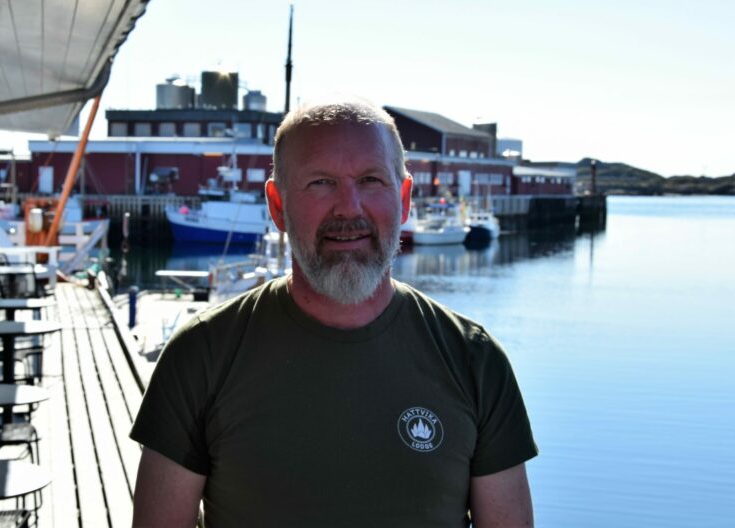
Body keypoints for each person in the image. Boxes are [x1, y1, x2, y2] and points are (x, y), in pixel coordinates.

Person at [131, 98, 538, 528]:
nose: (349, 208)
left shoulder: (474, 360)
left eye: (370, 180)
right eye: (321, 182)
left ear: (403, 199)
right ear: (277, 205)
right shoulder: (201, 355)